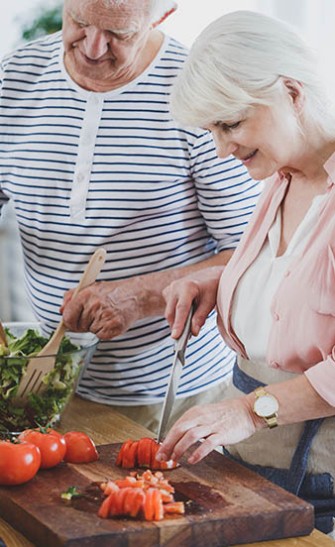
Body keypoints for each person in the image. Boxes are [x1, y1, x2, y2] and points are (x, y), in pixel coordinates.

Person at [0, 1, 260, 434]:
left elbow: (253, 254)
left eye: (118, 33)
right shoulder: (13, 78)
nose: (94, 48)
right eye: (80, 22)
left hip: (177, 396)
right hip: (51, 385)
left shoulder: (201, 95)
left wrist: (141, 295)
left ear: (164, 13)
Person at [156, 10, 335, 534]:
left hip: (321, 482)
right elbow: (305, 281)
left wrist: (250, 412)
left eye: (230, 124)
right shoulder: (282, 177)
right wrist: (227, 281)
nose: (222, 147)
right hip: (255, 469)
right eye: (212, 129)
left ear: (291, 92)